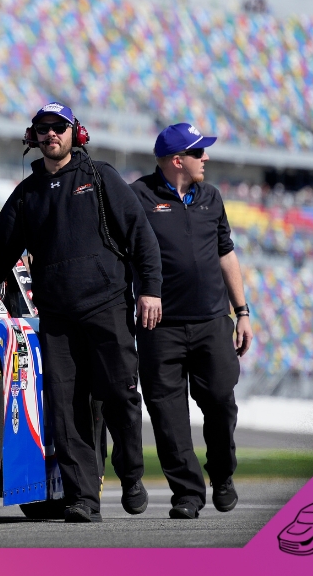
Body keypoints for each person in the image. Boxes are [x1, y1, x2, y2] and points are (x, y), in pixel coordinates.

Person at [0, 102, 163, 523]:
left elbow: (141, 236)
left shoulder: (100, 177)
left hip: (108, 308)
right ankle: (85, 497)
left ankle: (131, 473)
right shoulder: (26, 194)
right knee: (67, 410)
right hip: (58, 321)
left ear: (75, 133)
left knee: (120, 393)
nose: (51, 135)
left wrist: (150, 291)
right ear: (33, 138)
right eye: (42, 129)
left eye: (58, 127)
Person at [129, 123, 254, 519]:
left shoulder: (212, 197)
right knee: (167, 417)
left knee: (220, 401)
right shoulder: (138, 197)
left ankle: (222, 474)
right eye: (200, 153)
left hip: (212, 323)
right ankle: (187, 494)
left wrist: (243, 312)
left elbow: (226, 254)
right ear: (177, 160)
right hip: (158, 328)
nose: (207, 159)